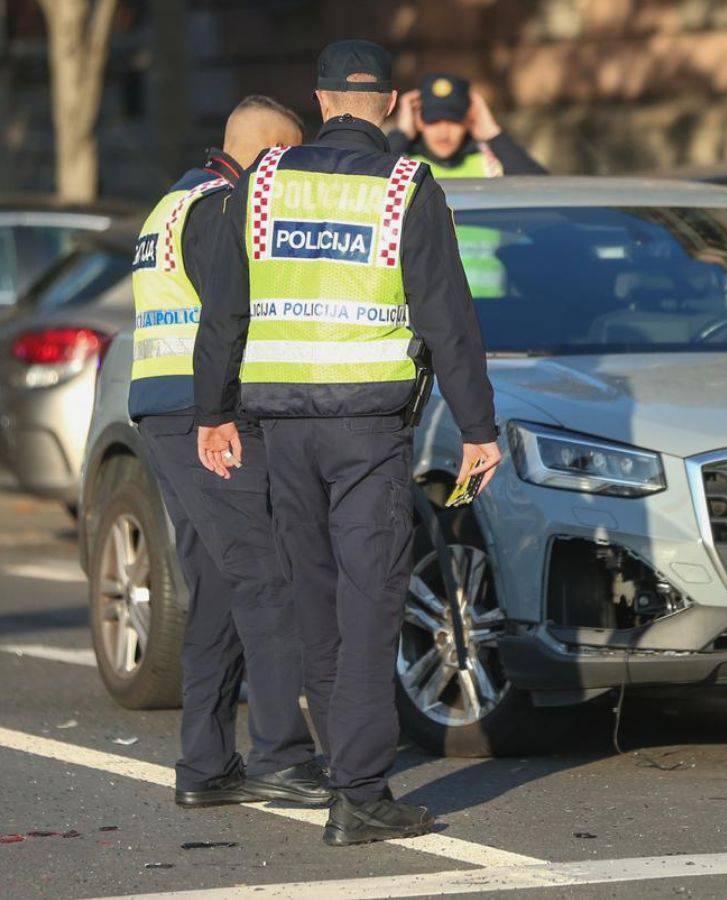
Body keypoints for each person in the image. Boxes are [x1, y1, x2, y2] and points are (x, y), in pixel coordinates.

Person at [192, 39, 502, 846]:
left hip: (280, 432)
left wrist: (211, 414)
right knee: (369, 609)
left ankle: (346, 776)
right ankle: (359, 794)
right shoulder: (407, 187)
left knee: (318, 607)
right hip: (366, 433)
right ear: (392, 103)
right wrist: (478, 428)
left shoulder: (260, 184)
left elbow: (224, 309)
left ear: (322, 100)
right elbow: (449, 319)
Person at [131, 96, 332, 811]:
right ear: (269, 152)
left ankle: (207, 764)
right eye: (291, 156)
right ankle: (280, 754)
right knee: (266, 579)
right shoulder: (226, 209)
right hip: (206, 416)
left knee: (217, 588)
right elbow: (230, 318)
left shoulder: (174, 202)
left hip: (162, 409)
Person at [388, 73, 545, 179]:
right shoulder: (403, 166)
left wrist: (493, 134)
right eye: (433, 121)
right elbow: (367, 181)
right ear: (418, 121)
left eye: (453, 121)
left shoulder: (489, 164)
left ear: (468, 120)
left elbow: (543, 191)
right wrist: (402, 134)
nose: (444, 133)